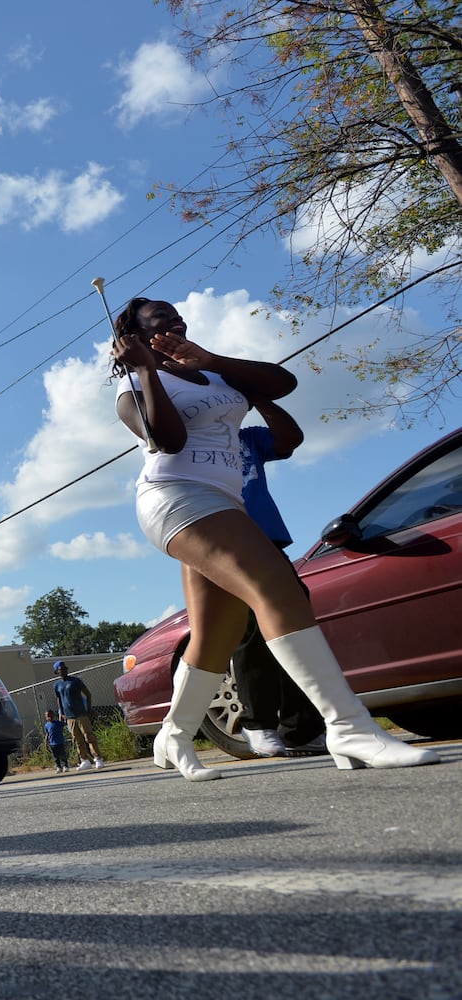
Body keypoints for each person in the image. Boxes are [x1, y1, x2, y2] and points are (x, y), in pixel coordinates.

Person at [110, 296, 438, 779]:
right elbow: (170, 440)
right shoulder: (133, 388)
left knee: (217, 633)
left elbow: (284, 384)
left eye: (177, 315)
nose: (175, 321)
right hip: (175, 497)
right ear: (137, 336)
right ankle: (347, 725)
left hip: (225, 501)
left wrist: (213, 362)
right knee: (277, 589)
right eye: (161, 319)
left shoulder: (211, 371)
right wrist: (147, 371)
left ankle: (173, 736)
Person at [232, 399, 326, 757]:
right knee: (252, 628)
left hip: (266, 539)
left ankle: (301, 728)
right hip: (224, 537)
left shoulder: (249, 438)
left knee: (295, 622)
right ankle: (258, 724)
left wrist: (258, 395)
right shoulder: (196, 439)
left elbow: (289, 439)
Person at [52, 661, 104, 771]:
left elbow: (87, 694)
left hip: (81, 714)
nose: (64, 670)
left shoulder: (75, 681)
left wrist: (88, 709)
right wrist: (61, 713)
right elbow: (59, 699)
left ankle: (98, 758)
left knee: (89, 736)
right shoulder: (57, 685)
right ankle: (84, 760)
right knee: (77, 739)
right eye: (61, 669)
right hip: (69, 717)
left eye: (65, 668)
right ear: (57, 671)